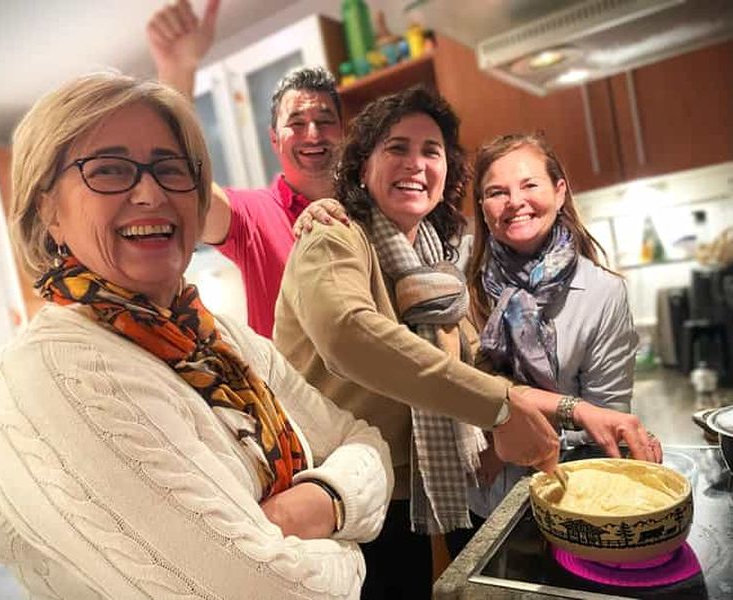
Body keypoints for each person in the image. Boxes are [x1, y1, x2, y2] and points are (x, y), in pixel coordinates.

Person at [0, 72, 393, 600]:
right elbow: (276, 591)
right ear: (46, 210)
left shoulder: (224, 341)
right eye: (109, 170)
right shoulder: (49, 377)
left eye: (171, 169)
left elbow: (365, 442)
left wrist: (322, 501)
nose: (151, 192)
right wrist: (350, 540)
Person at [273, 87, 657, 599]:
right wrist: (500, 410)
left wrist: (579, 410)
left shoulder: (435, 267)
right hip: (341, 491)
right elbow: (349, 333)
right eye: (397, 148)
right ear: (362, 166)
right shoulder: (335, 237)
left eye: (431, 151)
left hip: (404, 492)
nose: (416, 164)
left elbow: (477, 369)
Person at [463, 132, 663, 521]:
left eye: (529, 185)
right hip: (481, 502)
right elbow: (451, 393)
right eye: (496, 192)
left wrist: (509, 440)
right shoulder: (459, 290)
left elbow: (604, 420)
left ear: (559, 192)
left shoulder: (604, 293)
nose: (515, 201)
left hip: (570, 496)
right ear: (483, 208)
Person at [147, 0, 348, 338]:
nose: (312, 133)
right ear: (274, 140)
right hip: (292, 391)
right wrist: (179, 70)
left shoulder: (368, 208)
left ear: (343, 132)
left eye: (324, 121)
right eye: (296, 123)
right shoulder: (253, 214)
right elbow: (182, 185)